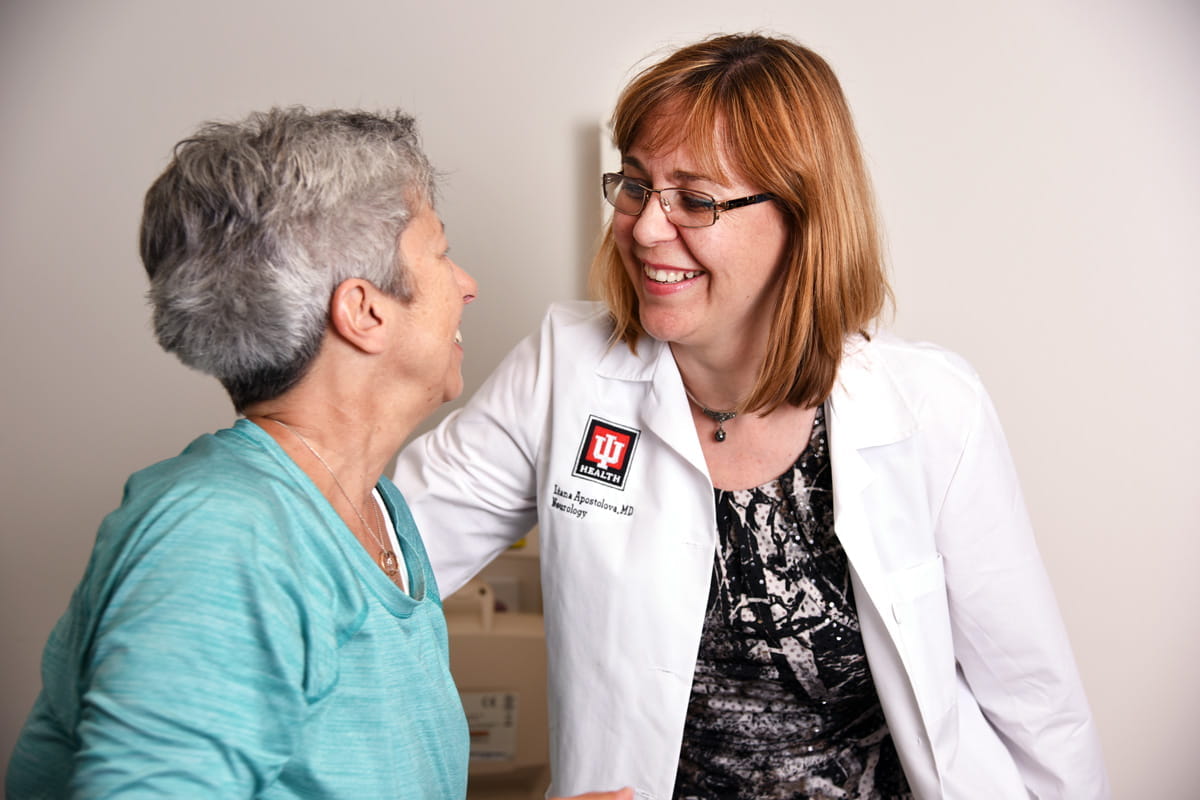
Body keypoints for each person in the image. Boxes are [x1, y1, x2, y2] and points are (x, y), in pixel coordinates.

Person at [394, 34, 1109, 800]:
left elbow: (1038, 711)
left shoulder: (931, 407)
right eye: (635, 185)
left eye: (695, 200)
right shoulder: (567, 369)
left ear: (802, 215)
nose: (643, 228)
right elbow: (377, 556)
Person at [6, 108, 630, 800]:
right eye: (441, 255)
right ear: (364, 312)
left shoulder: (374, 513)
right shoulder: (220, 538)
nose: (467, 284)